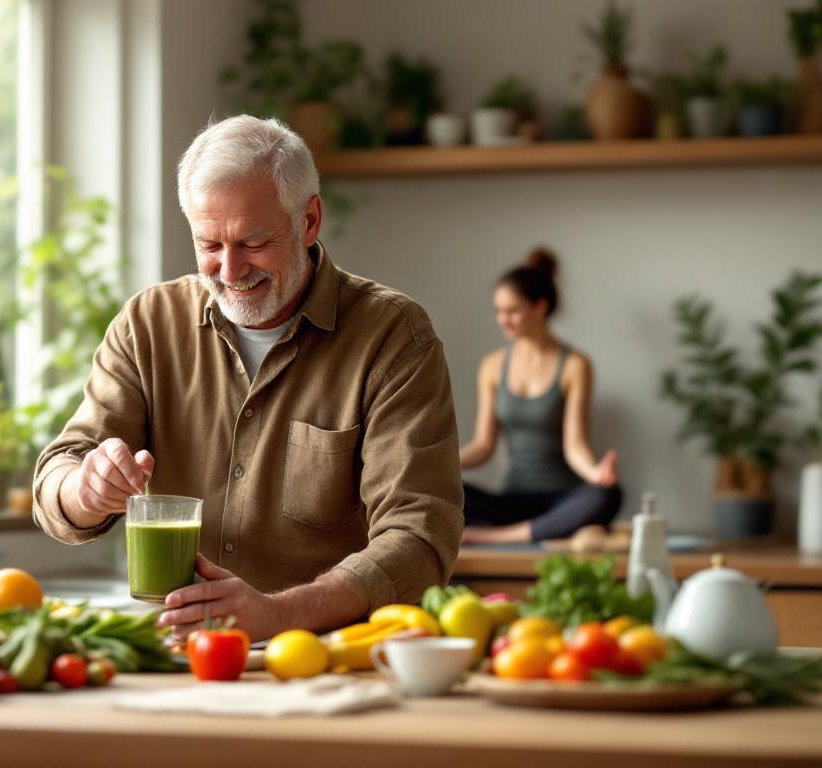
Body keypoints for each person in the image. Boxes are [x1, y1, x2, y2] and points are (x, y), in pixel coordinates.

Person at [31, 115, 463, 641]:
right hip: (178, 656)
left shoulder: (392, 336)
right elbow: (59, 468)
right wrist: (84, 489)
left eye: (254, 242)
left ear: (309, 221)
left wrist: (280, 614)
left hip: (325, 659)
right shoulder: (148, 324)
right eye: (209, 245)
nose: (230, 271)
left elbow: (420, 537)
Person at [458, 249, 623, 544]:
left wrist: (595, 473)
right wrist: (438, 465)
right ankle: (549, 532)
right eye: (498, 311)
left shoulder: (575, 365)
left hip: (562, 499)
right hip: (512, 500)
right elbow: (483, 445)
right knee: (441, 489)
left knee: (607, 495)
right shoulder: (492, 366)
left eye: (512, 311)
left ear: (540, 307)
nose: (503, 320)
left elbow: (575, 445)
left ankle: (493, 538)